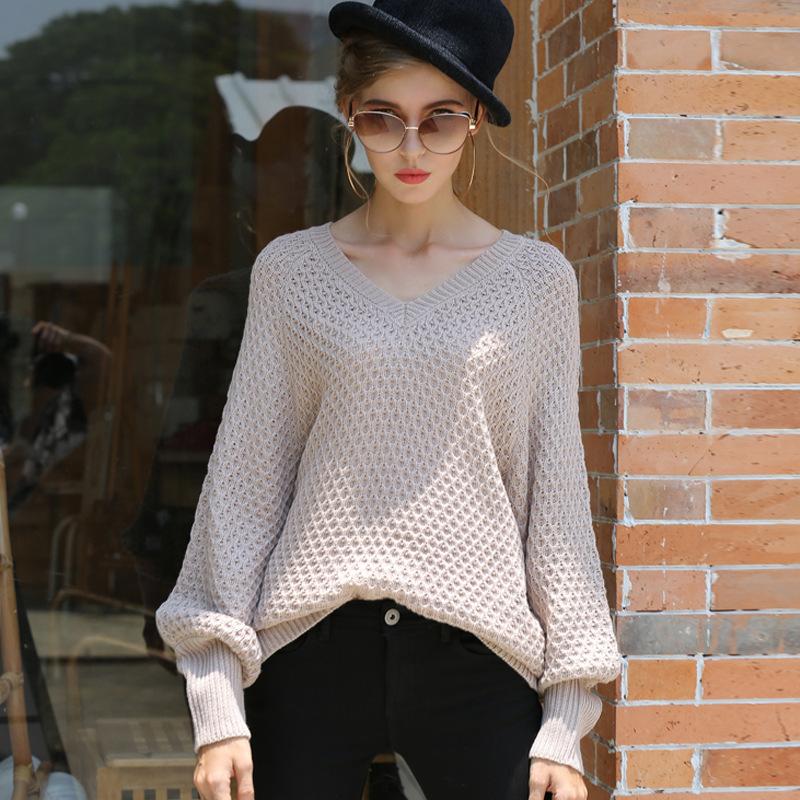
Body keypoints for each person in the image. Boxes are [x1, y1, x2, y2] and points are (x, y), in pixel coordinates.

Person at [154, 1, 623, 799]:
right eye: (383, 118)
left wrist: (566, 718)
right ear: (349, 114)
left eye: (440, 119)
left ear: (476, 119)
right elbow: (246, 482)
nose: (410, 147)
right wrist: (218, 703)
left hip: (478, 654)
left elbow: (552, 495)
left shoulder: (534, 280)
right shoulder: (291, 272)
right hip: (310, 651)